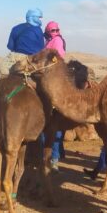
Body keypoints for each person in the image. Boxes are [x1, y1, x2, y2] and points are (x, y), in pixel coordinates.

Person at [0, 8, 44, 83]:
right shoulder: (38, 30)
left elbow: (10, 46)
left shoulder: (16, 28)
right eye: (39, 17)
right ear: (33, 17)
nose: (40, 20)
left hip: (14, 56)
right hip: (31, 59)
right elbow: (41, 49)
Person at [43, 21, 67, 169]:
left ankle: (54, 159)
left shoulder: (56, 40)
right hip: (51, 74)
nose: (55, 31)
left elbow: (56, 57)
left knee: (55, 126)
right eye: (52, 30)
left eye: (56, 29)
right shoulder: (50, 40)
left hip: (54, 76)